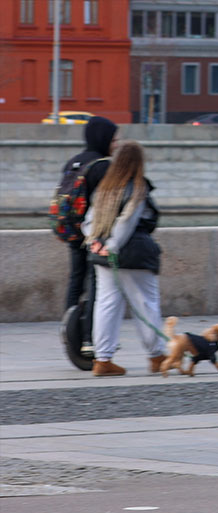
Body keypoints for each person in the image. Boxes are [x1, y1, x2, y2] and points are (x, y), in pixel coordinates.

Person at [81, 140, 167, 376]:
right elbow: (126, 221)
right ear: (138, 163)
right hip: (131, 253)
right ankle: (157, 356)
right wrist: (113, 245)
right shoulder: (137, 187)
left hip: (101, 254)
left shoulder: (105, 188)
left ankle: (103, 359)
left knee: (106, 305)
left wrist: (94, 241)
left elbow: (88, 220)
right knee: (146, 303)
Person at [62, 116, 119, 354]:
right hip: (94, 234)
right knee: (96, 283)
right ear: (103, 138)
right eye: (114, 138)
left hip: (73, 232)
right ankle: (90, 338)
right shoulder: (103, 165)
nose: (115, 143)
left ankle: (70, 336)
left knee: (75, 281)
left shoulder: (73, 162)